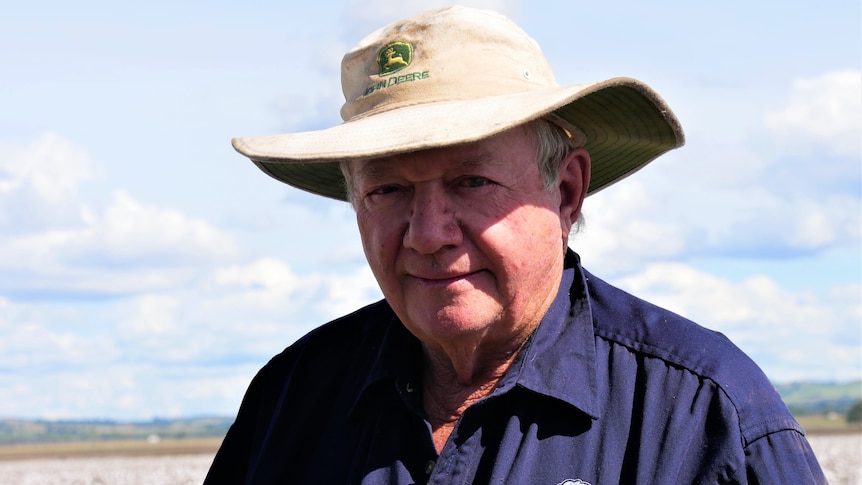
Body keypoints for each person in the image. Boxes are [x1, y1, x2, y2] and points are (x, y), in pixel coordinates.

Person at [205, 6, 825, 484]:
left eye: (471, 182)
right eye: (388, 190)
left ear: (567, 191)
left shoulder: (701, 412)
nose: (427, 234)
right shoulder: (294, 398)